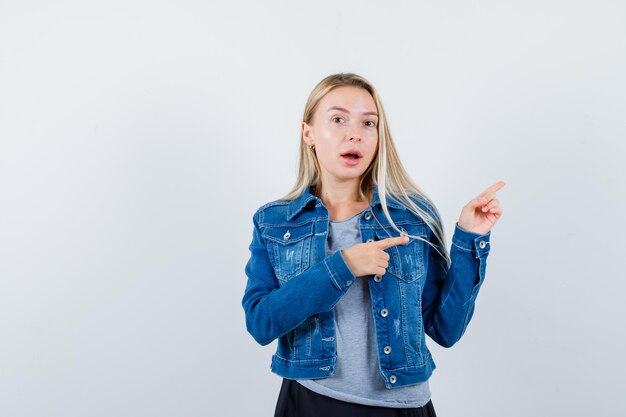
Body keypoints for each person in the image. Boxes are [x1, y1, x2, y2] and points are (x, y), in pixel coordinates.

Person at [242, 72, 505, 417]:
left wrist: (470, 238)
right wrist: (343, 266)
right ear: (308, 133)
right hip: (311, 401)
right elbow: (261, 323)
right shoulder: (275, 221)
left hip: (404, 406)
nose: (355, 133)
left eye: (369, 123)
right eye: (338, 119)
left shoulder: (412, 216)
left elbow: (446, 329)